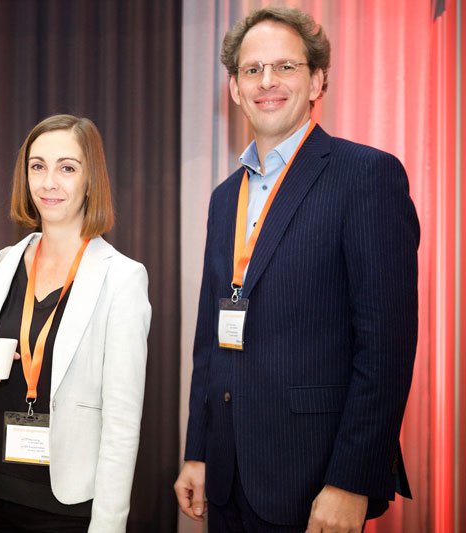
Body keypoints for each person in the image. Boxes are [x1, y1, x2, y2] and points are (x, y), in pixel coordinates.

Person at [174, 7, 418, 533]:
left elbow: (386, 349)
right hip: (227, 474)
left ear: (317, 80)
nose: (267, 82)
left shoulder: (366, 176)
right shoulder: (224, 198)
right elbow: (211, 340)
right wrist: (198, 450)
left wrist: (351, 480)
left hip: (314, 480)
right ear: (235, 89)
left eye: (285, 67)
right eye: (251, 70)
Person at [0, 114, 151, 532]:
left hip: (63, 504)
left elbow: (121, 422)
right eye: (37, 166)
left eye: (67, 168)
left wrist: (109, 525)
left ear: (90, 179)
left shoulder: (122, 278)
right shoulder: (1, 265)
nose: (49, 182)